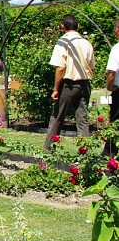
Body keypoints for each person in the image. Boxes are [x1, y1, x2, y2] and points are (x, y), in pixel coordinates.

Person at [44, 15, 94, 151]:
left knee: (57, 117)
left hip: (68, 84)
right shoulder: (86, 43)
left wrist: (55, 89)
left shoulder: (63, 42)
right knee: (82, 120)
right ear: (77, 26)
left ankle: (48, 149)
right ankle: (85, 151)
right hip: (84, 84)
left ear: (62, 26)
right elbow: (91, 65)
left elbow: (60, 67)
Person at [103, 18, 119, 156]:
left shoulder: (117, 48)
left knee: (115, 121)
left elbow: (111, 72)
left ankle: (110, 152)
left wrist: (110, 87)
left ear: (117, 30)